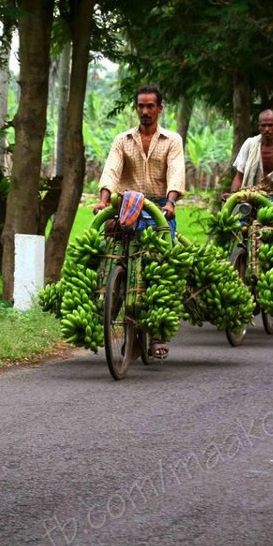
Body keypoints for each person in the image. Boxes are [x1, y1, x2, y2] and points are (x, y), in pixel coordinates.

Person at [93, 85, 185, 359]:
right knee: (109, 257)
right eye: (141, 107)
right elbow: (111, 169)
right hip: (128, 209)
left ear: (160, 108)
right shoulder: (123, 140)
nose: (145, 112)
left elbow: (176, 172)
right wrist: (103, 199)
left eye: (150, 106)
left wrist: (170, 202)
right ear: (137, 109)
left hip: (159, 210)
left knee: (159, 269)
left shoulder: (171, 140)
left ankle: (157, 332)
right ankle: (111, 307)